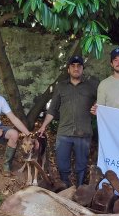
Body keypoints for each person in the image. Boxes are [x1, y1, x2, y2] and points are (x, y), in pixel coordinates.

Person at [38, 55, 98, 187]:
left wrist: (97, 106)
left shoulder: (91, 87)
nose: (76, 68)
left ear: (83, 69)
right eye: (73, 66)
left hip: (84, 133)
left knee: (81, 165)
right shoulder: (61, 87)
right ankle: (66, 187)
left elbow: (101, 102)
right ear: (68, 69)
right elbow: (52, 109)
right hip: (64, 132)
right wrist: (43, 127)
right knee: (62, 163)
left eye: (79, 66)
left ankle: (79, 188)